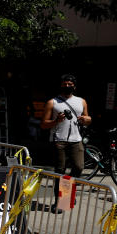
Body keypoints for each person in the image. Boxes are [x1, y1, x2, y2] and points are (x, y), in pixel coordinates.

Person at [41, 74, 91, 210]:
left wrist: (86, 120)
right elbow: (43, 124)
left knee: (79, 167)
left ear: (74, 86)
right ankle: (59, 202)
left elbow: (88, 118)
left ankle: (67, 190)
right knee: (60, 171)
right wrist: (56, 121)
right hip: (59, 140)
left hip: (76, 139)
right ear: (61, 85)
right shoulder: (53, 102)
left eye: (70, 84)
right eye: (64, 84)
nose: (67, 86)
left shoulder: (81, 101)